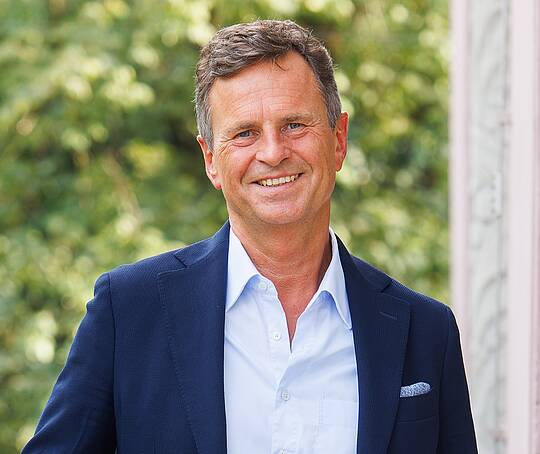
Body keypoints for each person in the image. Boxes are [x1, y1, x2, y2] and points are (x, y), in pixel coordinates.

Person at [23, 19, 477, 454]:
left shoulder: (426, 331)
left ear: (338, 140)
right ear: (211, 160)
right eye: (244, 133)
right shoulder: (128, 312)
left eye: (294, 125)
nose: (273, 153)